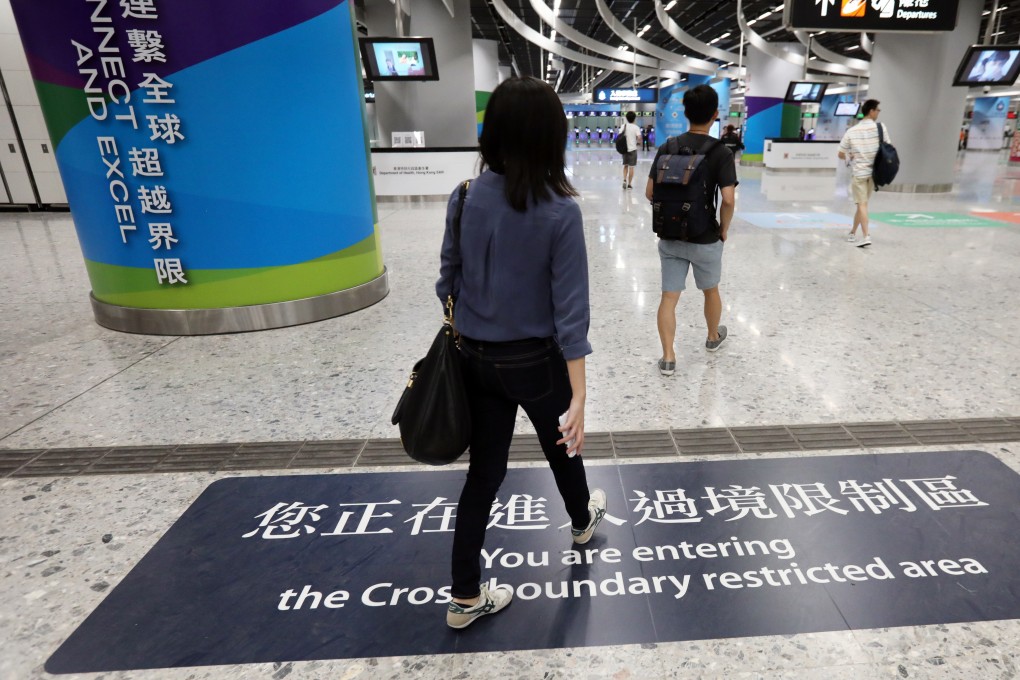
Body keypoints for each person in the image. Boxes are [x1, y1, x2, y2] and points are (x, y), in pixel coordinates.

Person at [436, 76, 607, 629]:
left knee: (483, 474)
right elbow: (571, 314)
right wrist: (579, 395)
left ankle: (465, 595)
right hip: (536, 362)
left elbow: (447, 283)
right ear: (551, 138)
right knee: (563, 446)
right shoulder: (560, 210)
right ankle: (582, 521)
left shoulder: (462, 196)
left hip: (475, 360)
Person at [645, 84, 737, 376]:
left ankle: (669, 357)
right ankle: (712, 338)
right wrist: (723, 230)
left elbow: (650, 193)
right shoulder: (720, 152)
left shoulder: (668, 146)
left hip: (670, 237)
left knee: (668, 297)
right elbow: (729, 200)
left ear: (685, 113)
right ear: (715, 114)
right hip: (705, 237)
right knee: (710, 291)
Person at [838, 99, 887, 248]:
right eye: (878, 110)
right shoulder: (880, 128)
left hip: (859, 173)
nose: (878, 112)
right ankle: (853, 233)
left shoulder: (852, 131)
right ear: (871, 111)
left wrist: (851, 156)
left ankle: (865, 236)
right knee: (862, 204)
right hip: (873, 174)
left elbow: (840, 153)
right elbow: (888, 147)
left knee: (862, 204)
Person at [620, 111, 641, 189]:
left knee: (625, 165)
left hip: (625, 149)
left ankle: (624, 180)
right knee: (631, 167)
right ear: (634, 118)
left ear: (626, 118)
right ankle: (629, 184)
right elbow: (639, 137)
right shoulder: (636, 127)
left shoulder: (623, 126)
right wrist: (638, 143)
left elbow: (619, 135)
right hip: (632, 149)